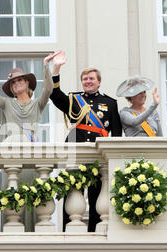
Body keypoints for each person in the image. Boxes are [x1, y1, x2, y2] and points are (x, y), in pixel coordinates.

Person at [0, 51, 57, 231]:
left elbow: (48, 89)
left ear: (27, 82)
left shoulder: (37, 103)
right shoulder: (7, 103)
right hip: (11, 153)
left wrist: (46, 66)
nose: (16, 84)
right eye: (13, 82)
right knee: (14, 195)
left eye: (20, 80)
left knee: (33, 194)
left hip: (31, 152)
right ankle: (12, 233)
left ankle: (33, 232)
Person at [49, 50, 123, 232]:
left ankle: (96, 231)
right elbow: (55, 95)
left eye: (91, 78)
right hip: (76, 151)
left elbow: (117, 133)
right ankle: (69, 230)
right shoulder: (75, 99)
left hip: (98, 154)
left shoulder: (110, 103)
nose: (88, 81)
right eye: (85, 79)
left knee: (97, 194)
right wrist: (56, 69)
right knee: (73, 191)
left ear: (98, 81)